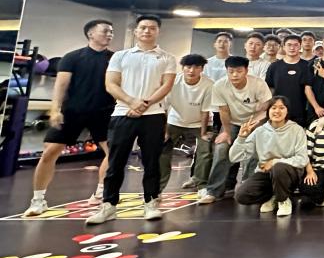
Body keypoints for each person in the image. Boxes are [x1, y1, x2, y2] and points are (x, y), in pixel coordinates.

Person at [86, 15, 177, 225]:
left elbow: (166, 85)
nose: (147, 31)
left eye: (152, 28)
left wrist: (144, 104)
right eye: (143, 27)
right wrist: (131, 102)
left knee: (152, 162)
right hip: (122, 114)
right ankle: (109, 205)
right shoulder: (120, 56)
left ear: (158, 32)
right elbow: (111, 84)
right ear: (136, 31)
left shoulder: (167, 58)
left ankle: (151, 203)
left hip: (153, 115)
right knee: (115, 162)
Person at [24, 19, 116, 217]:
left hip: (104, 112)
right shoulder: (72, 57)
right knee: (49, 153)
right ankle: (38, 200)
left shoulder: (115, 58)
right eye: (105, 31)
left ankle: (100, 193)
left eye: (111, 32)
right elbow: (61, 85)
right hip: (73, 111)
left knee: (114, 153)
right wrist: (55, 110)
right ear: (90, 34)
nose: (109, 34)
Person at [198, 56, 273, 204]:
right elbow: (223, 111)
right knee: (221, 148)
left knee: (254, 150)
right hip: (232, 122)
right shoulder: (219, 86)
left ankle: (248, 187)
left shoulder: (258, 84)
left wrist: (252, 126)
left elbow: (265, 108)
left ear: (246, 71)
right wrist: (226, 132)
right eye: (231, 71)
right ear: (226, 71)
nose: (235, 75)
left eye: (239, 71)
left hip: (255, 121)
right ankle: (214, 191)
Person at [230, 96, 308, 217]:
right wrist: (241, 138)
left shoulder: (297, 130)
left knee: (279, 168)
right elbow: (234, 157)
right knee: (241, 195)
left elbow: (302, 159)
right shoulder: (260, 131)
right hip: (266, 173)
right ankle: (274, 196)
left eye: (281, 108)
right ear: (268, 111)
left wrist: (274, 162)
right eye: (274, 108)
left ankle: (283, 200)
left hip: (289, 173)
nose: (277, 111)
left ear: (287, 111)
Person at [161, 54, 215, 192]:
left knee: (205, 150)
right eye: (188, 67)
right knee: (163, 149)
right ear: (183, 68)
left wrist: (203, 133)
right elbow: (164, 108)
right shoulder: (173, 82)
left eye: (196, 67)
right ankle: (158, 188)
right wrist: (165, 131)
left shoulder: (209, 85)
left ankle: (201, 183)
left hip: (199, 123)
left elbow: (205, 111)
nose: (192, 70)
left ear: (202, 69)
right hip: (175, 120)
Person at [265, 34, 317, 123]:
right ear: (283, 47)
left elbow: (308, 89)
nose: (292, 48)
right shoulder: (274, 66)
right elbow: (270, 89)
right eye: (289, 45)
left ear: (300, 47)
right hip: (278, 111)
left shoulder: (307, 66)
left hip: (300, 111)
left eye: (296, 45)